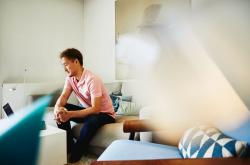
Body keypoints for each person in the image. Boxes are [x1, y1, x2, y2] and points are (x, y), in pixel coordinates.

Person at [54, 48, 115, 163]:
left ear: (76, 61)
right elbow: (63, 97)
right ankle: (69, 148)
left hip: (105, 114)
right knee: (62, 110)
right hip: (90, 111)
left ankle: (76, 155)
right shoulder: (70, 79)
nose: (64, 69)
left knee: (91, 121)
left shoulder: (92, 79)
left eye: (66, 64)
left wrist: (70, 114)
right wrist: (58, 109)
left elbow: (96, 109)